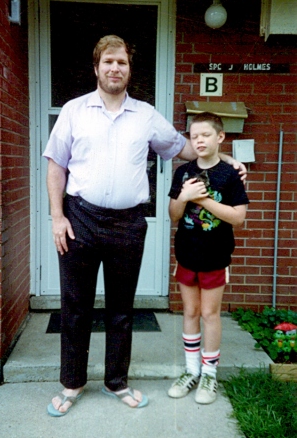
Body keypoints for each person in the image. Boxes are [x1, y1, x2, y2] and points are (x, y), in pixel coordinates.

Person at [43, 35, 247, 416]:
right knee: (75, 306)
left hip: (128, 224)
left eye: (121, 62)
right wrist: (57, 217)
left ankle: (116, 382)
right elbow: (56, 164)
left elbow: (183, 147)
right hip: (79, 219)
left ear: (129, 68)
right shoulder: (74, 111)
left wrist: (227, 160)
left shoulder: (146, 115)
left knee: (122, 308)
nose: (115, 68)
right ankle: (71, 383)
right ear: (97, 67)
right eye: (108, 62)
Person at [167, 112, 249, 404]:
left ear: (220, 138)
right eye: (194, 135)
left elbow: (238, 218)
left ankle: (209, 374)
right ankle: (191, 371)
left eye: (205, 135)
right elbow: (174, 214)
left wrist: (202, 200)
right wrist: (184, 196)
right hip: (187, 253)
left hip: (215, 255)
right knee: (189, 313)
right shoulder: (183, 172)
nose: (199, 140)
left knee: (209, 314)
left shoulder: (230, 175)